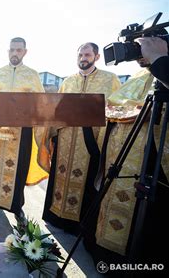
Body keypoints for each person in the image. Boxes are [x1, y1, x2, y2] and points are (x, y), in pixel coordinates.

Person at [85, 56, 169, 272]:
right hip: (119, 158)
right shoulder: (138, 76)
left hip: (150, 160)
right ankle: (103, 253)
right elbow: (112, 107)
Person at [42, 42, 121, 234]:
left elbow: (116, 109)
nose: (83, 58)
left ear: (97, 57)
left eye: (87, 55)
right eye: (80, 55)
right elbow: (57, 110)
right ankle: (56, 216)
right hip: (66, 139)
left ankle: (79, 225)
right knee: (61, 177)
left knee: (87, 179)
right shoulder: (68, 81)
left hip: (92, 142)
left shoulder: (110, 80)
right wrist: (53, 135)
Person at [0, 37, 45, 225]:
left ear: (25, 52)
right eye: (12, 50)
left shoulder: (32, 75)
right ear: (8, 51)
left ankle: (16, 207)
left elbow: (40, 103)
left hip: (21, 132)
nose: (15, 53)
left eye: (19, 50)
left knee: (19, 168)